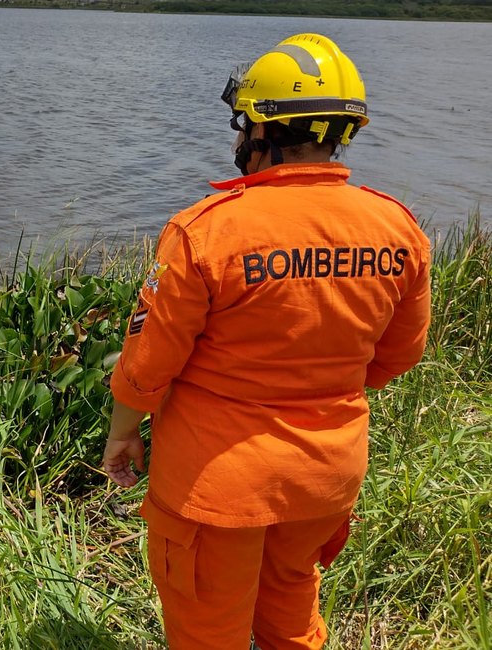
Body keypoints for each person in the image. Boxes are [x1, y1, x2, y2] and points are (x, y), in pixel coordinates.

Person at [102, 34, 431, 649]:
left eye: (243, 125)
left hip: (216, 487)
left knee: (209, 629)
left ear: (261, 133)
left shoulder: (207, 232)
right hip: (325, 478)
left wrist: (123, 432)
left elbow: (148, 366)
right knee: (291, 613)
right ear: (340, 133)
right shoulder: (398, 228)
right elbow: (399, 356)